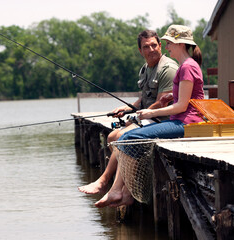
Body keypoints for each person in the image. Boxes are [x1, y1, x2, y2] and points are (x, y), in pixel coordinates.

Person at [95, 24, 204, 208]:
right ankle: (119, 191)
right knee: (127, 137)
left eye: (168, 43)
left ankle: (119, 192)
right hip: (181, 120)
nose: (166, 47)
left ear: (179, 44)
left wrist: (151, 112)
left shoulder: (186, 67)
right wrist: (171, 96)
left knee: (131, 137)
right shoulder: (186, 66)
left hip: (186, 123)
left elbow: (181, 107)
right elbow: (185, 99)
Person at [78, 29, 178, 195]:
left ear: (160, 46)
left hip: (162, 119)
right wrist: (126, 109)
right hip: (148, 117)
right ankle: (127, 188)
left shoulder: (167, 69)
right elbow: (144, 100)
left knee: (120, 138)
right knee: (111, 137)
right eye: (146, 47)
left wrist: (134, 117)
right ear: (140, 51)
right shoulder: (145, 69)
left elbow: (160, 105)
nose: (151, 49)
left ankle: (106, 183)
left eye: (154, 45)